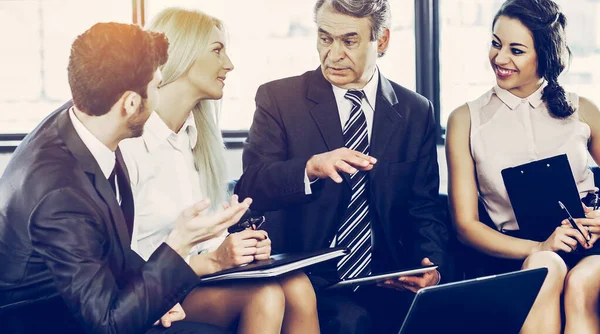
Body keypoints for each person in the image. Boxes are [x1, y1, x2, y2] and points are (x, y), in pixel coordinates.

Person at [0, 22, 251, 334]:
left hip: (86, 298)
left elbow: (107, 249)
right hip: (50, 321)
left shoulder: (90, 117)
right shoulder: (61, 195)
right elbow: (109, 325)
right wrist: (179, 242)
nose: (161, 97)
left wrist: (157, 295)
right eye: (157, 87)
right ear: (130, 103)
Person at [234, 0, 450, 333]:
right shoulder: (279, 99)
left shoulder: (415, 110)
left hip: (387, 276)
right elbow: (251, 187)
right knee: (351, 321)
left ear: (383, 41)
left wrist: (430, 266)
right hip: (309, 277)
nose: (333, 54)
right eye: (325, 38)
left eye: (348, 41)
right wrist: (309, 168)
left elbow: (424, 207)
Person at [119, 8, 320, 334]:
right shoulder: (130, 144)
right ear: (180, 53)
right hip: (149, 289)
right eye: (217, 50)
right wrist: (214, 258)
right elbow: (121, 259)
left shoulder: (195, 140)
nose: (229, 64)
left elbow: (207, 240)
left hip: (192, 277)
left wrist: (240, 249)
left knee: (298, 285)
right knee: (266, 296)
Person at [446, 0, 600, 333]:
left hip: (589, 247)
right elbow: (465, 226)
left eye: (516, 50)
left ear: (543, 55)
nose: (499, 58)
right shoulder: (465, 120)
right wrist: (540, 247)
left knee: (581, 284)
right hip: (516, 250)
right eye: (495, 43)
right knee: (545, 266)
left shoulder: (582, 109)